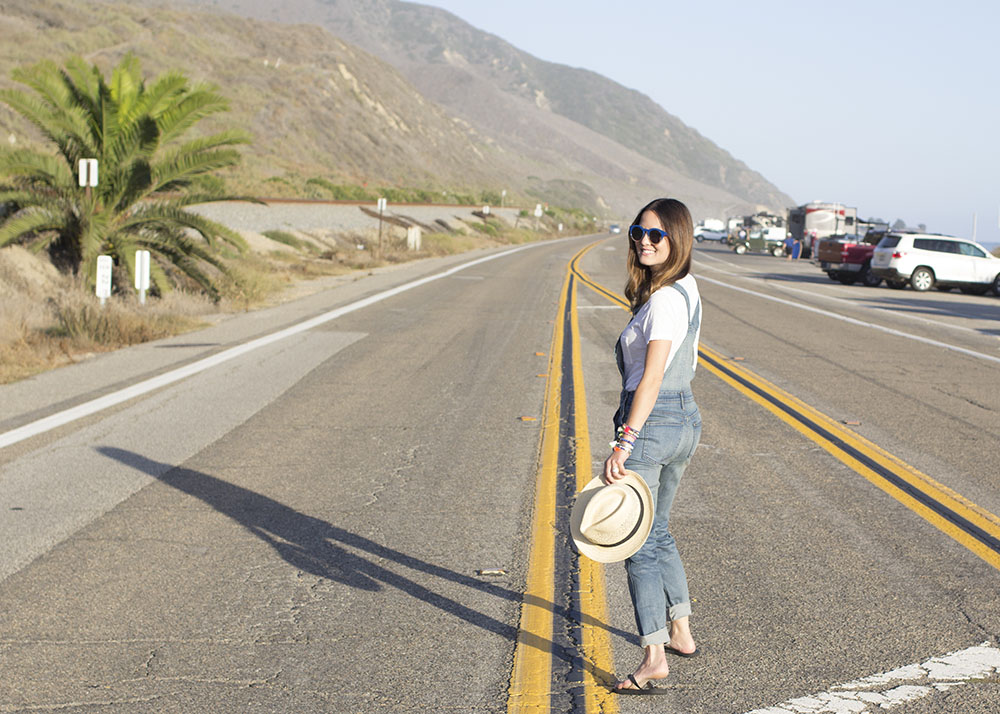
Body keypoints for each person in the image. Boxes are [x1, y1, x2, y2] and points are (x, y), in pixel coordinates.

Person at [604, 198, 702, 694]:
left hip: (654, 420)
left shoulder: (663, 300)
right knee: (658, 528)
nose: (644, 241)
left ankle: (653, 656)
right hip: (685, 418)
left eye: (656, 236)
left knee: (635, 541)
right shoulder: (685, 286)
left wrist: (625, 440)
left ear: (677, 240)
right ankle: (681, 630)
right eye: (637, 232)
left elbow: (654, 375)